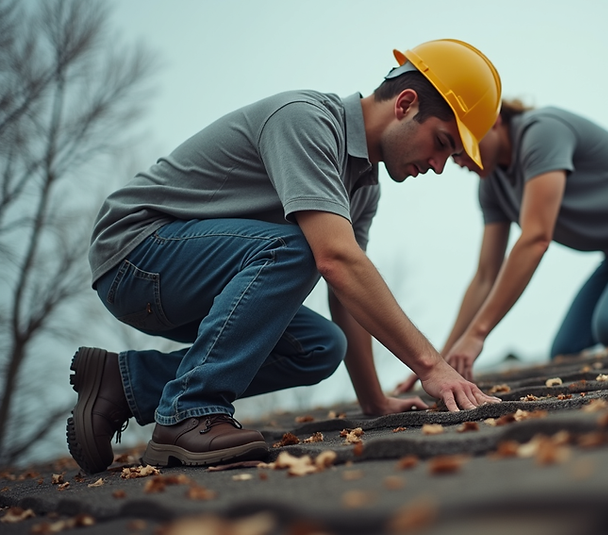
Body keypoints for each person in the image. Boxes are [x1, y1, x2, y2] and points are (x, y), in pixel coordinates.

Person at [67, 39, 503, 474]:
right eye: (442, 142)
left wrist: (374, 401)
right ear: (405, 104)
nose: (440, 165)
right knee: (301, 246)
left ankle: (123, 384)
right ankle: (188, 411)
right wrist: (432, 366)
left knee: (319, 347)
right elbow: (335, 259)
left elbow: (347, 289)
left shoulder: (363, 187)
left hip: (187, 281)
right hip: (137, 254)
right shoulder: (306, 120)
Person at [397, 100, 608, 388]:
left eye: (462, 147)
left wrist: (477, 334)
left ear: (492, 121)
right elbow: (485, 276)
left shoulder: (541, 132)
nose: (457, 160)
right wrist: (439, 359)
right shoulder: (491, 187)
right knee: (566, 351)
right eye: (452, 153)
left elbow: (536, 238)